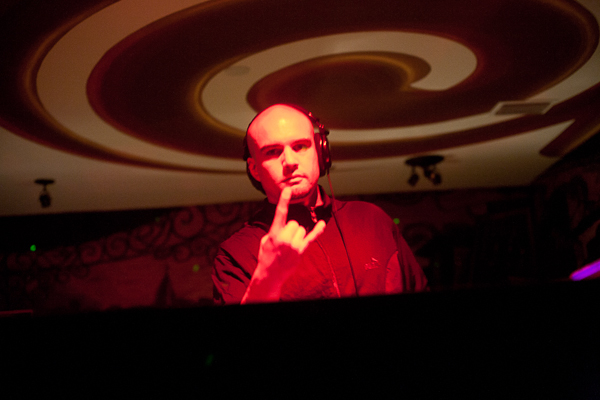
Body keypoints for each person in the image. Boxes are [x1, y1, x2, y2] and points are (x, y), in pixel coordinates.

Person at [212, 104, 427, 305]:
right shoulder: (235, 254)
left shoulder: (372, 220)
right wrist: (267, 280)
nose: (290, 162)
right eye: (273, 152)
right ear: (254, 169)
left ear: (320, 151)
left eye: (300, 146)